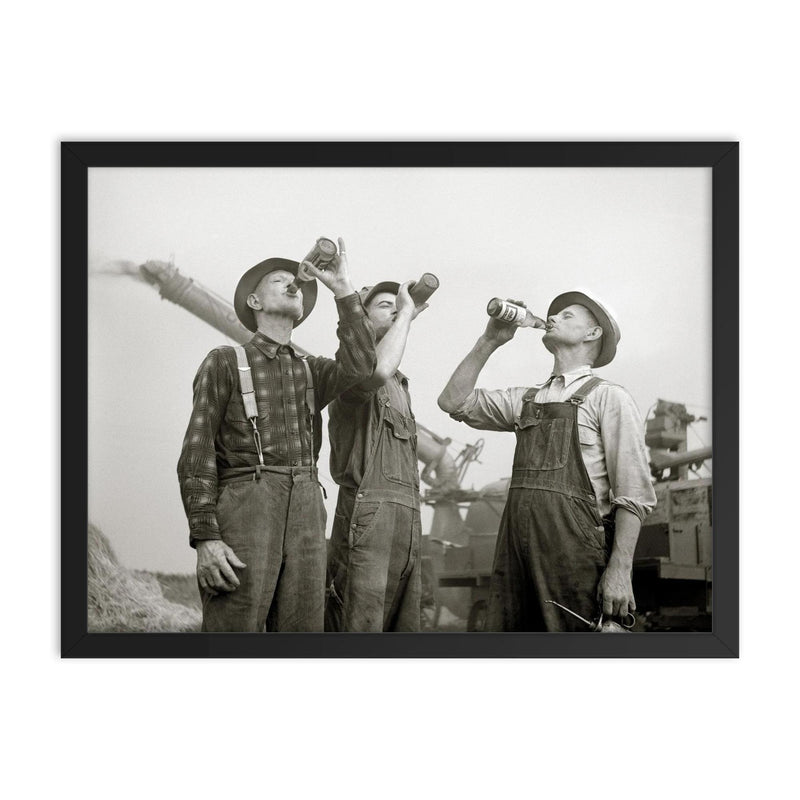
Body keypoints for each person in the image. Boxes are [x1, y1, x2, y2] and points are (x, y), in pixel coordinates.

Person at [177, 238, 376, 632]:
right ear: (254, 302)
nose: (292, 284)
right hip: (246, 506)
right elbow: (197, 454)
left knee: (303, 633)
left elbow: (361, 366)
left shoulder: (312, 369)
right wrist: (206, 538)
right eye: (277, 280)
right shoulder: (225, 361)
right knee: (235, 629)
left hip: (306, 508)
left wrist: (343, 290)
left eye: (294, 281)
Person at [438, 291, 656, 632]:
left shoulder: (609, 398)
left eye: (567, 316)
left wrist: (619, 571)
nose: (552, 318)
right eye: (554, 314)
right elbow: (453, 401)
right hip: (515, 561)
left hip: (574, 559)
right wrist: (490, 340)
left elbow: (634, 496)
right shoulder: (526, 400)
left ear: (593, 333)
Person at [325, 280, 428, 631]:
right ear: (363, 320)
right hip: (366, 519)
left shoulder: (400, 385)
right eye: (385, 305)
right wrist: (408, 314)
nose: (397, 309)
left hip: (406, 522)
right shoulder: (350, 372)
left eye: (398, 305)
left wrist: (403, 315)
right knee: (357, 632)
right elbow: (376, 369)